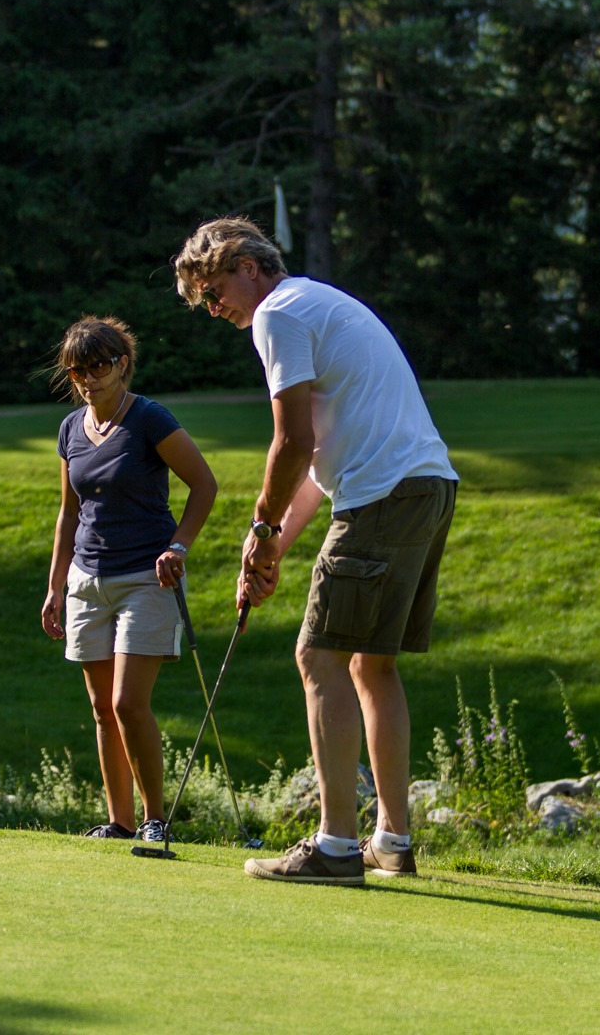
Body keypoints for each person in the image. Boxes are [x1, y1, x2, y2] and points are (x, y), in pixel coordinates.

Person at [173, 216, 458, 886]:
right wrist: (267, 547)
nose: (217, 312)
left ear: (248, 265)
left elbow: (291, 442)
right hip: (426, 488)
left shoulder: (278, 314)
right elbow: (315, 460)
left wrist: (263, 531)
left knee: (317, 657)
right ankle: (391, 840)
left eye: (214, 294)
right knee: (370, 667)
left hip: (385, 496)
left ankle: (335, 845)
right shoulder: (317, 302)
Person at [41, 315, 217, 843]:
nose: (88, 378)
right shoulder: (72, 429)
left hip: (147, 577)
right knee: (100, 709)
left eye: (99, 365)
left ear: (122, 364)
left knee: (126, 703)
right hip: (86, 580)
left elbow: (204, 485)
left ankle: (154, 820)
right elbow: (69, 513)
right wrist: (54, 585)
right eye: (78, 369)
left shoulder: (149, 418)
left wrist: (178, 546)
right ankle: (118, 822)